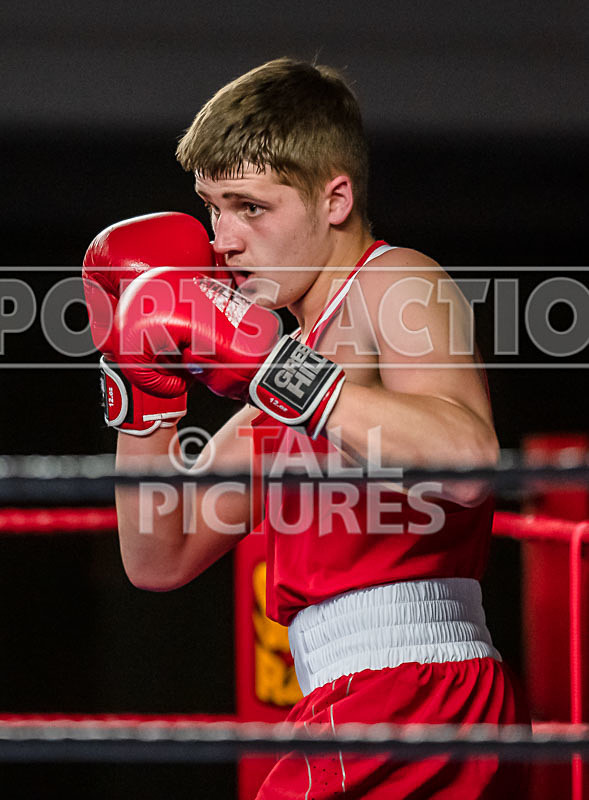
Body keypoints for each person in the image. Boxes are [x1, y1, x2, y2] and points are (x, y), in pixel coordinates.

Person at [89, 58, 529, 798]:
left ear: (334, 197)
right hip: (342, 706)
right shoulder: (278, 389)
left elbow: (468, 458)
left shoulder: (394, 280)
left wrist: (285, 376)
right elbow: (157, 558)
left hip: (416, 698)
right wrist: (141, 398)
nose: (221, 240)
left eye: (249, 207)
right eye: (211, 208)